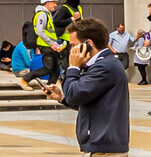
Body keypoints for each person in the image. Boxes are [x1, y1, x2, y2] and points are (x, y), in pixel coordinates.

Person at [44, 17, 129, 157]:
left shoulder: (105, 66)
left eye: (74, 45)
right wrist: (62, 96)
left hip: (105, 148)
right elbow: (87, 100)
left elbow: (75, 95)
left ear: (88, 44)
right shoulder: (100, 65)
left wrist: (73, 67)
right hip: (100, 145)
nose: (71, 50)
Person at [34, 0, 65, 81]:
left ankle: (51, 90)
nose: (56, 5)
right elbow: (39, 31)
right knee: (49, 68)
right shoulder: (42, 14)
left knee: (55, 70)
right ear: (47, 3)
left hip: (49, 45)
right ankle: (26, 78)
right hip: (46, 45)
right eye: (54, 3)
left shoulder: (47, 14)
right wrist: (51, 43)